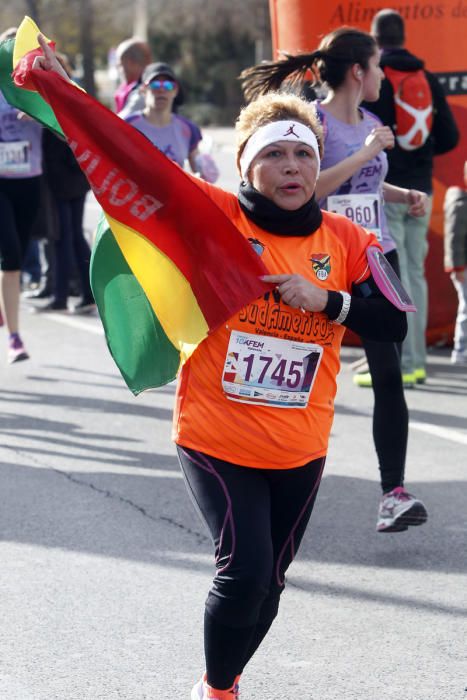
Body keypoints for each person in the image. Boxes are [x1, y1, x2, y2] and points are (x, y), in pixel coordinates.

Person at [34, 35, 408, 699]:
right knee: (242, 574)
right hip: (214, 434)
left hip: (299, 442)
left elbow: (392, 320)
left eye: (302, 154)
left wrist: (327, 299)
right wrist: (60, 90)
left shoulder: (349, 241)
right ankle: (216, 691)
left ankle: (224, 678)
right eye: (274, 155)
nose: (291, 167)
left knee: (269, 587)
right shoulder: (214, 215)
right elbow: (130, 160)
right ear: (247, 166)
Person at [240, 27, 429, 534]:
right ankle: (262, 474)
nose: (384, 77)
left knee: (389, 365)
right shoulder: (313, 124)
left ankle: (393, 492)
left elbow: (364, 184)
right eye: (379, 67)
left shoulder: (370, 121)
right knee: (290, 367)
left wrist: (402, 193)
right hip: (319, 254)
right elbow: (311, 187)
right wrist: (366, 152)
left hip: (374, 253)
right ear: (358, 72)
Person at [366, 9, 459, 384]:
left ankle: (400, 363)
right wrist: (420, 152)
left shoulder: (375, 79)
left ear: (375, 40)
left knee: (392, 274)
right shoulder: (427, 79)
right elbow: (450, 138)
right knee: (415, 273)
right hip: (421, 188)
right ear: (404, 37)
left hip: (386, 190)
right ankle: (416, 360)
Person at [0, 26, 43, 362]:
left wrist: (42, 114)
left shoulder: (39, 85)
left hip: (30, 180)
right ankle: (15, 337)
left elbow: (66, 126)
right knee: (11, 256)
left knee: (18, 250)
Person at [124, 62, 219, 182]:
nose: (161, 90)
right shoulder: (127, 125)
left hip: (171, 198)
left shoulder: (188, 129)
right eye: (155, 85)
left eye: (168, 85)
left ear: (175, 91)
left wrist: (205, 170)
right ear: (143, 90)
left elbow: (199, 172)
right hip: (137, 197)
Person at [444, 161, 467, 366]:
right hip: (463, 268)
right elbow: (454, 237)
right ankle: (461, 349)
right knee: (466, 309)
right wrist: (457, 267)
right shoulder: (460, 203)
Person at [114, 37, 152, 119]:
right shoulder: (126, 88)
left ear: (130, 63)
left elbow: (120, 122)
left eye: (120, 64)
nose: (117, 68)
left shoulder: (144, 92)